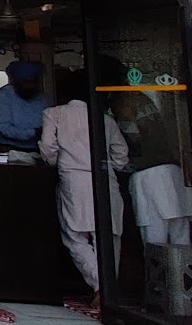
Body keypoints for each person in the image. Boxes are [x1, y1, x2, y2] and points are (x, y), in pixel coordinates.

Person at [41, 73, 129, 305]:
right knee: (108, 238)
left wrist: (56, 162)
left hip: (73, 181)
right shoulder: (105, 119)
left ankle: (101, 286)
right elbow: (121, 154)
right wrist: (113, 166)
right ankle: (108, 289)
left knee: (74, 237)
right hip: (105, 179)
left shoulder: (55, 114)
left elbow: (48, 148)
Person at [0, 61, 51, 152]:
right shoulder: (2, 96)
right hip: (7, 149)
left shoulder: (43, 98)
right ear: (16, 82)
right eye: (27, 81)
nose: (31, 86)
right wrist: (35, 132)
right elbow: (5, 129)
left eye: (34, 82)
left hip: (36, 149)